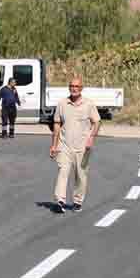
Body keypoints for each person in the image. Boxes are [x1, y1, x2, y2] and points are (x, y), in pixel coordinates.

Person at [49, 78, 101, 214]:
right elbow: (57, 124)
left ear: (81, 88)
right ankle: (60, 200)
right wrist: (54, 145)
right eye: (71, 86)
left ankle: (78, 201)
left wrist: (91, 138)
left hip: (83, 147)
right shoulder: (62, 104)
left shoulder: (89, 104)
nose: (74, 88)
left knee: (81, 175)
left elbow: (96, 122)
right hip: (64, 145)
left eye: (77, 86)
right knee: (63, 172)